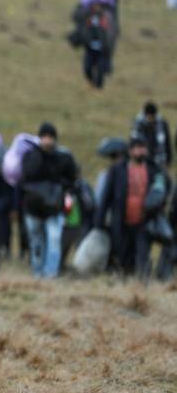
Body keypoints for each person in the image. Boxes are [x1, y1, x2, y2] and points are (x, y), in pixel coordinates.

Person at [95, 137, 166, 281]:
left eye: (142, 148)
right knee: (122, 254)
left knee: (142, 254)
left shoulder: (154, 169)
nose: (140, 151)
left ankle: (142, 285)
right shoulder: (117, 170)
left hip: (144, 221)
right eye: (137, 148)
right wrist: (99, 220)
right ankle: (124, 283)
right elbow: (106, 197)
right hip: (121, 220)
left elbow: (163, 190)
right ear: (130, 151)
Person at [21, 122, 78, 279]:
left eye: (50, 137)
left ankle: (50, 275)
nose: (47, 141)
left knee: (54, 241)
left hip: (55, 207)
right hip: (33, 208)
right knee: (36, 243)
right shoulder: (31, 156)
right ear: (39, 138)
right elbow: (27, 175)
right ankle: (37, 273)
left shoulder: (63, 159)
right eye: (44, 137)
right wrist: (40, 154)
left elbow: (72, 181)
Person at [131, 102, 172, 169]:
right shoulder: (138, 124)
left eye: (152, 117)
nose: (150, 119)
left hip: (159, 159)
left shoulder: (162, 123)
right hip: (143, 158)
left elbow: (167, 142)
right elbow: (133, 141)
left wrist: (169, 160)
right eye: (149, 117)